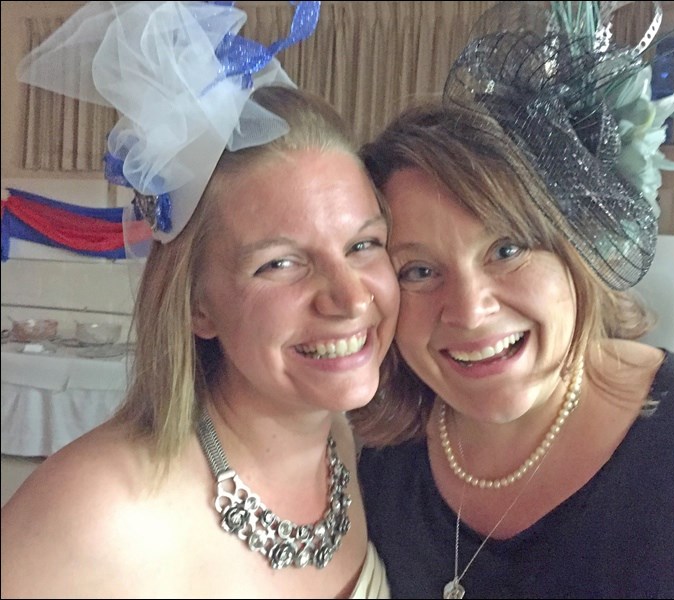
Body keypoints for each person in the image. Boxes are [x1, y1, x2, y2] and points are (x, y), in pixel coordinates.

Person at [350, 2, 674, 598]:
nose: (468, 309)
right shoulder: (378, 458)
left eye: (507, 249)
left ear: (575, 251)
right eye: (419, 270)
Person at [1, 2, 397, 598]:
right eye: (280, 263)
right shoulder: (98, 511)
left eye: (364, 244)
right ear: (195, 306)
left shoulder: (345, 442)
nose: (348, 298)